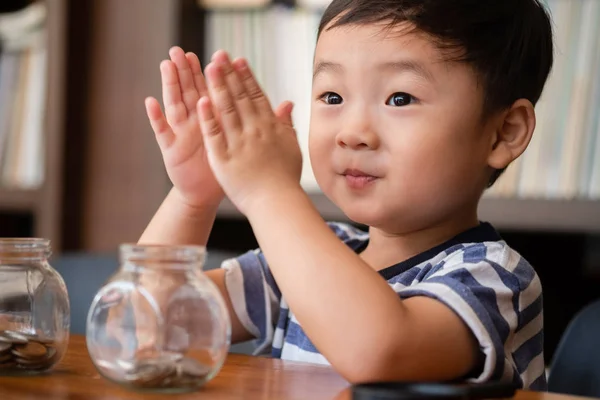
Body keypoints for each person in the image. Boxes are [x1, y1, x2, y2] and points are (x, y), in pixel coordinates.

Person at [140, 0, 553, 389]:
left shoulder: (495, 278)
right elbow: (150, 321)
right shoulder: (300, 261)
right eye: (332, 96)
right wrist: (194, 196)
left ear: (505, 132)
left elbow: (380, 350)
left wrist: (270, 192)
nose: (353, 132)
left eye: (400, 98)